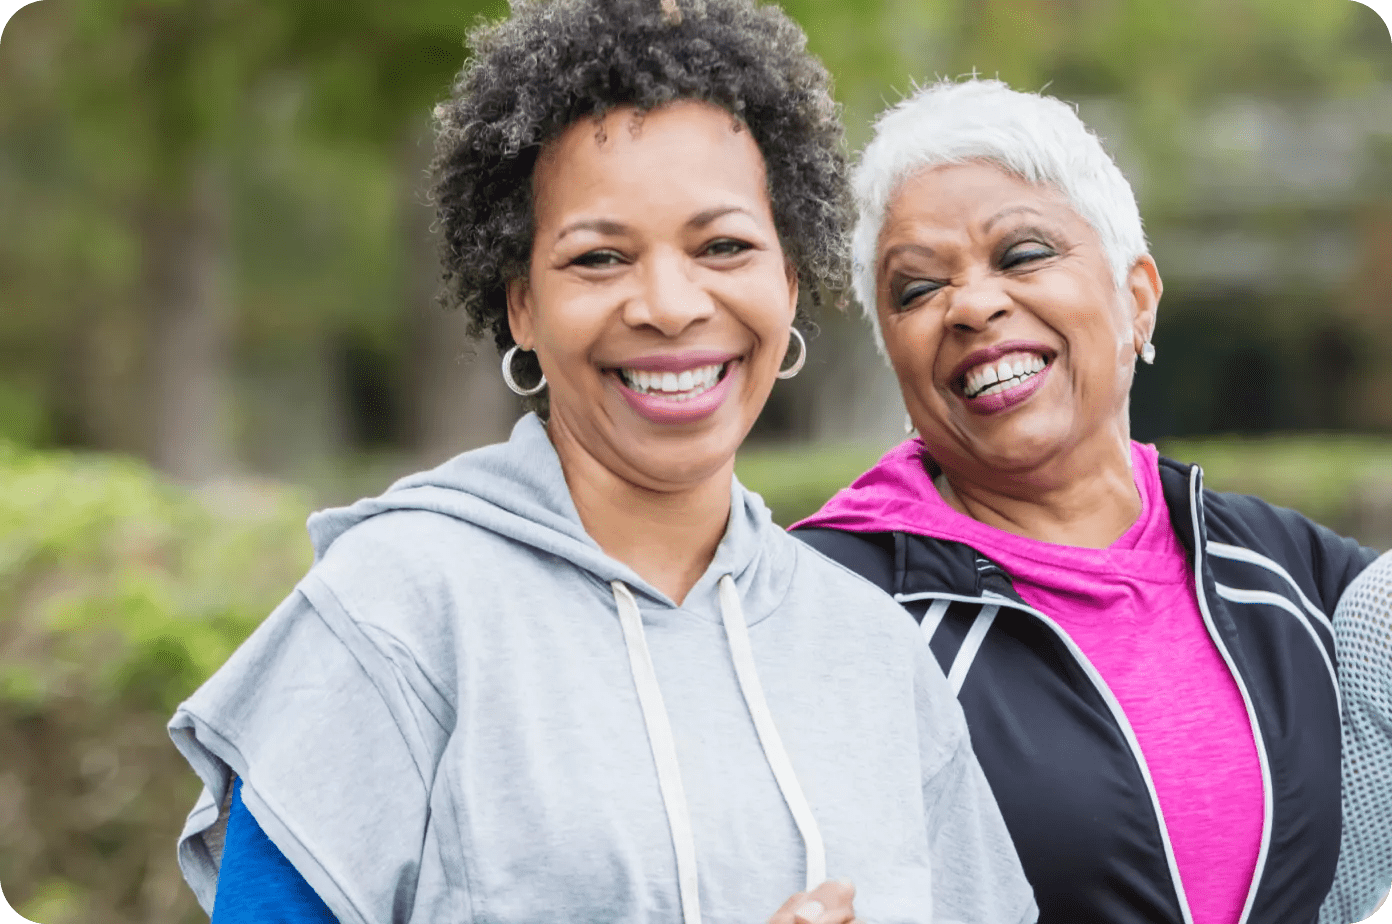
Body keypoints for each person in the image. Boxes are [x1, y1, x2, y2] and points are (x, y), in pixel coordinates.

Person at [167, 8, 1037, 924]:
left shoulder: (872, 652)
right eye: (599, 257)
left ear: (788, 285)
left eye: (724, 247)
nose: (668, 304)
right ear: (523, 309)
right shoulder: (395, 612)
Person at [793, 78, 1390, 924]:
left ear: (1137, 296)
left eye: (1023, 254)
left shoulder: (1291, 576)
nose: (972, 304)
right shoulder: (818, 604)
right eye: (918, 289)